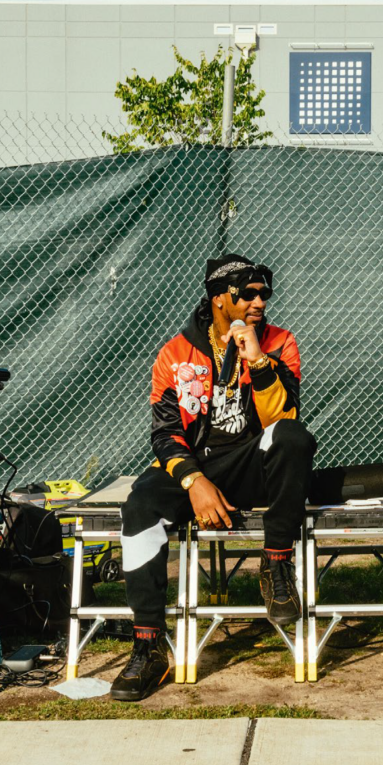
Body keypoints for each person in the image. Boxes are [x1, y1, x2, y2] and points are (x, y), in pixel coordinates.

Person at [111, 253, 317, 701]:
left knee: (295, 439)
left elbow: (283, 419)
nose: (259, 301)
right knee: (140, 505)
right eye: (249, 293)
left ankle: (277, 566)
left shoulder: (280, 343)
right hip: (197, 464)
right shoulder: (176, 353)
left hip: (252, 461)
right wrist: (194, 482)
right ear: (220, 297)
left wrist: (258, 361)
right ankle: (148, 646)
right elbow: (165, 433)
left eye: (265, 293)